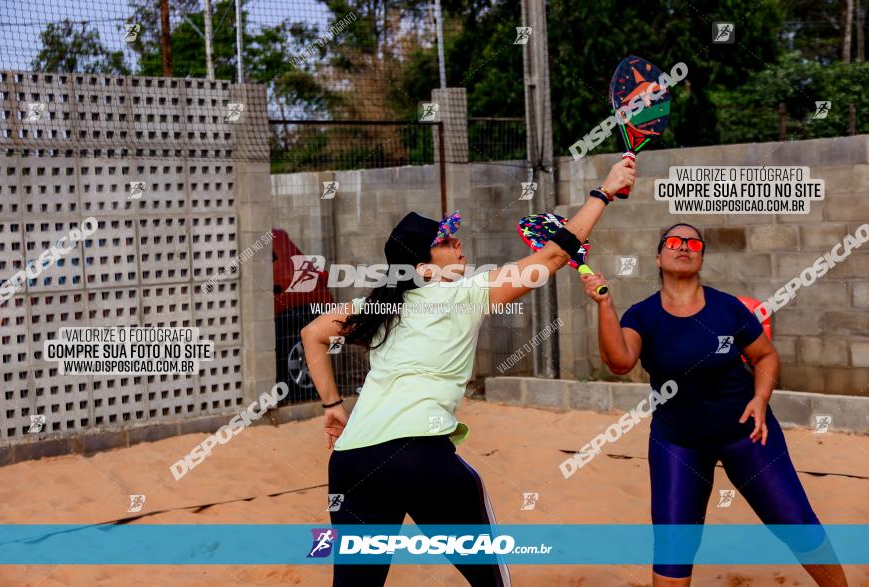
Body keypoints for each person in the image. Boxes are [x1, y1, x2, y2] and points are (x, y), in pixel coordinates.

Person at [300, 159, 637, 586]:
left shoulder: (378, 308)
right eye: (444, 241)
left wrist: (332, 406)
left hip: (352, 462)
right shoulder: (464, 293)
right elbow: (554, 255)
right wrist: (603, 191)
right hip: (419, 457)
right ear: (422, 266)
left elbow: (312, 333)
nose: (457, 243)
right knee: (492, 581)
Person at [580, 223, 849, 587]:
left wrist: (760, 398)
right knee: (673, 552)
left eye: (694, 243)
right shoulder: (642, 316)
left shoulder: (729, 309)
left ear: (702, 256)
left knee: (796, 523)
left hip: (746, 433)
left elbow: (766, 357)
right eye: (674, 242)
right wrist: (605, 304)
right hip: (678, 443)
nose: (684, 247)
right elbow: (620, 362)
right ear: (658, 256)